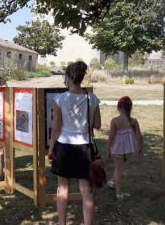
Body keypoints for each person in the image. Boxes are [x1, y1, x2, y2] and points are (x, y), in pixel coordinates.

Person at [48, 61, 101, 225]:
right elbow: (98, 125)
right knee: (87, 191)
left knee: (62, 188)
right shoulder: (91, 98)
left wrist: (51, 149)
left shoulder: (60, 98)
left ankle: (62, 223)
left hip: (64, 146)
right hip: (84, 146)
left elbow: (56, 128)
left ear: (68, 78)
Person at [106, 96, 144, 200]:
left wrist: (108, 149)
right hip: (129, 149)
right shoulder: (133, 121)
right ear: (130, 108)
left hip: (118, 148)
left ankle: (116, 190)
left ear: (118, 107)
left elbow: (111, 137)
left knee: (119, 168)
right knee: (120, 168)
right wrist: (141, 148)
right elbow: (139, 137)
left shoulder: (114, 121)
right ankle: (116, 188)